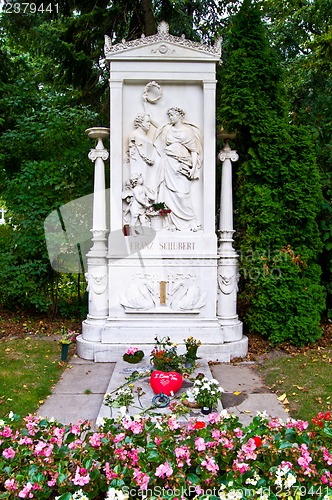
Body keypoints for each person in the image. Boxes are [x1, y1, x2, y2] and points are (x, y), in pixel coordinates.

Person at [153, 107, 202, 231]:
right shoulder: (168, 129)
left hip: (182, 165)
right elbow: (156, 125)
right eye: (169, 115)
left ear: (180, 116)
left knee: (182, 194)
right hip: (168, 163)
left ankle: (191, 222)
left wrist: (193, 167)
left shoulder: (188, 131)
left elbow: (194, 151)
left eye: (172, 115)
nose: (170, 118)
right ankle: (169, 223)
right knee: (166, 193)